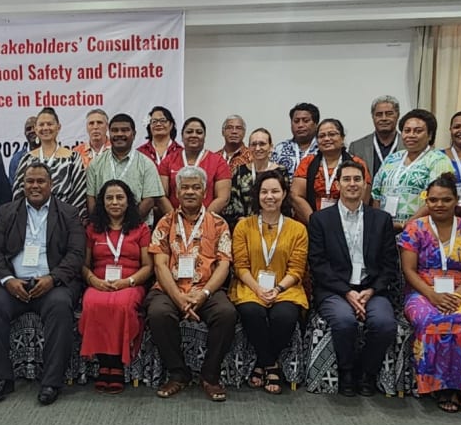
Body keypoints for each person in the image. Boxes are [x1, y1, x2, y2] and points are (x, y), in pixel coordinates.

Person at [0, 162, 85, 406]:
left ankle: (51, 382)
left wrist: (52, 278)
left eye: (40, 181)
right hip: (14, 283)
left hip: (52, 284)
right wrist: (7, 280)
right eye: (30, 181)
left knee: (60, 306)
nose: (35, 186)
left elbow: (76, 254)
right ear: (23, 184)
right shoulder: (7, 211)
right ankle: (0, 378)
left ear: (51, 185)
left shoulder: (68, 213)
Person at [398, 173, 461, 415]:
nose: (439, 205)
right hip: (422, 291)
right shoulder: (415, 229)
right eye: (433, 200)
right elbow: (409, 270)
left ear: (456, 201)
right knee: (431, 320)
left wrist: (458, 296)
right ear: (426, 201)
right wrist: (432, 295)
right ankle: (441, 387)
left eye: (446, 200)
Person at [307, 160, 399, 397]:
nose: (352, 184)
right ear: (337, 184)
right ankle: (346, 372)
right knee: (344, 321)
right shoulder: (320, 220)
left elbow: (389, 265)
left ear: (365, 184)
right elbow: (318, 264)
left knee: (384, 324)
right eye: (346, 179)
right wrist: (347, 292)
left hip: (371, 289)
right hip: (334, 290)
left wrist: (371, 291)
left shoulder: (381, 219)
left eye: (357, 179)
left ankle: (367, 372)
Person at [146, 165, 237, 402]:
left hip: (206, 288)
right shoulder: (165, 223)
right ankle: (178, 373)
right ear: (176, 192)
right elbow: (160, 265)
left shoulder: (218, 223)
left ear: (205, 192)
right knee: (158, 313)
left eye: (196, 187)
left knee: (226, 313)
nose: (189, 192)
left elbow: (224, 265)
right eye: (184, 187)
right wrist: (178, 297)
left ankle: (210, 375)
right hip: (170, 288)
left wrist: (204, 293)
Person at [230, 170, 308, 395]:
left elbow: (297, 269)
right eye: (264, 192)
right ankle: (271, 365)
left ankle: (261, 363)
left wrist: (277, 288)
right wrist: (258, 289)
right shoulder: (244, 227)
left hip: (286, 288)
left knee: (284, 316)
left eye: (275, 191)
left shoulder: (298, 229)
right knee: (251, 312)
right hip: (250, 286)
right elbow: (240, 266)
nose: (270, 196)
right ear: (257, 195)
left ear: (284, 194)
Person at [79, 180, 153, 394]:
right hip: (99, 282)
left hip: (131, 282)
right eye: (109, 198)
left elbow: (148, 267)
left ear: (128, 202)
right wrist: (93, 281)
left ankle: (117, 364)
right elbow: (84, 265)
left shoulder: (141, 229)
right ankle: (104, 363)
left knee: (121, 305)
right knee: (92, 303)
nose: (114, 202)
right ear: (102, 202)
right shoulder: (92, 229)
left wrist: (128, 282)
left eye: (120, 198)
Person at [371, 109, 454, 231]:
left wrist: (407, 225)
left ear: (430, 135)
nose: (411, 135)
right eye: (407, 131)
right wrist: (381, 222)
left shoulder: (439, 160)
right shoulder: (392, 158)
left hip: (421, 230)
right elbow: (376, 193)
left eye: (418, 131)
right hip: (386, 230)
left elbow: (438, 199)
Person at [12, 106, 88, 222]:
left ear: (58, 127)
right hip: (31, 220)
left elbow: (79, 193)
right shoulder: (26, 159)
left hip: (64, 221)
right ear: (36, 129)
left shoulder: (73, 158)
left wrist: (62, 219)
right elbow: (18, 193)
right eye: (41, 125)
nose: (45, 128)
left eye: (49, 124)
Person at [291, 118, 372, 222]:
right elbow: (296, 196)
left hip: (348, 221)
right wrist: (315, 222)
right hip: (311, 222)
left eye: (332, 134)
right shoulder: (307, 163)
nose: (326, 139)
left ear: (342, 138)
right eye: (321, 136)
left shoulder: (357, 164)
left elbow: (363, 198)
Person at [85, 113, 164, 218]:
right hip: (103, 226)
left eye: (125, 130)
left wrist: (127, 223)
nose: (119, 134)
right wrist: (102, 223)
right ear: (109, 133)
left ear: (134, 134)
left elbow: (149, 200)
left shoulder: (146, 164)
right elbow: (91, 198)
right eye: (115, 130)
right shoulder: (95, 164)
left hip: (137, 225)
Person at [159, 117, 231, 216]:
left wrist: (204, 219)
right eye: (189, 132)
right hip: (174, 219)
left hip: (208, 218)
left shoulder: (219, 162)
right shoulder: (168, 161)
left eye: (199, 132)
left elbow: (223, 198)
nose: (194, 135)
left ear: (204, 137)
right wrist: (174, 219)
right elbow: (161, 196)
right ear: (182, 136)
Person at [223, 128, 282, 229]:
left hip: (274, 226)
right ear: (249, 147)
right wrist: (243, 221)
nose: (257, 148)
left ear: (271, 147)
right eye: (253, 144)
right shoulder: (239, 171)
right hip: (246, 226)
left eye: (262, 144)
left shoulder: (281, 171)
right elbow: (233, 201)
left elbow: (285, 202)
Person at [348, 95, 405, 176]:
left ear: (398, 115)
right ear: (373, 117)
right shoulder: (357, 147)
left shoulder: (408, 145)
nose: (384, 118)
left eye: (389, 114)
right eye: (379, 114)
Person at [273, 102, 320, 174]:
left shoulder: (322, 148)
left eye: (306, 121)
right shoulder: (280, 149)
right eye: (296, 121)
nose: (300, 125)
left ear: (316, 124)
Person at [8, 115, 39, 183]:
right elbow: (12, 185)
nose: (32, 131)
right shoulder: (17, 159)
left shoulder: (51, 155)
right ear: (25, 133)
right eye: (28, 129)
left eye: (35, 128)